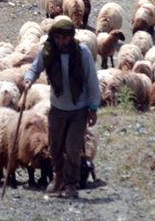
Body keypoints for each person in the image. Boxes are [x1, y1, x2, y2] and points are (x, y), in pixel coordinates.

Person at [19, 16, 100, 199]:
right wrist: (28, 79)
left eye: (64, 38)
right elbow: (35, 68)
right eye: (58, 38)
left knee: (72, 147)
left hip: (78, 108)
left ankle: (71, 182)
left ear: (71, 37)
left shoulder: (82, 52)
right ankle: (59, 176)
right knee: (54, 148)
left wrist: (93, 108)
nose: (61, 42)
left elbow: (92, 80)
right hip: (57, 108)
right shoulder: (48, 51)